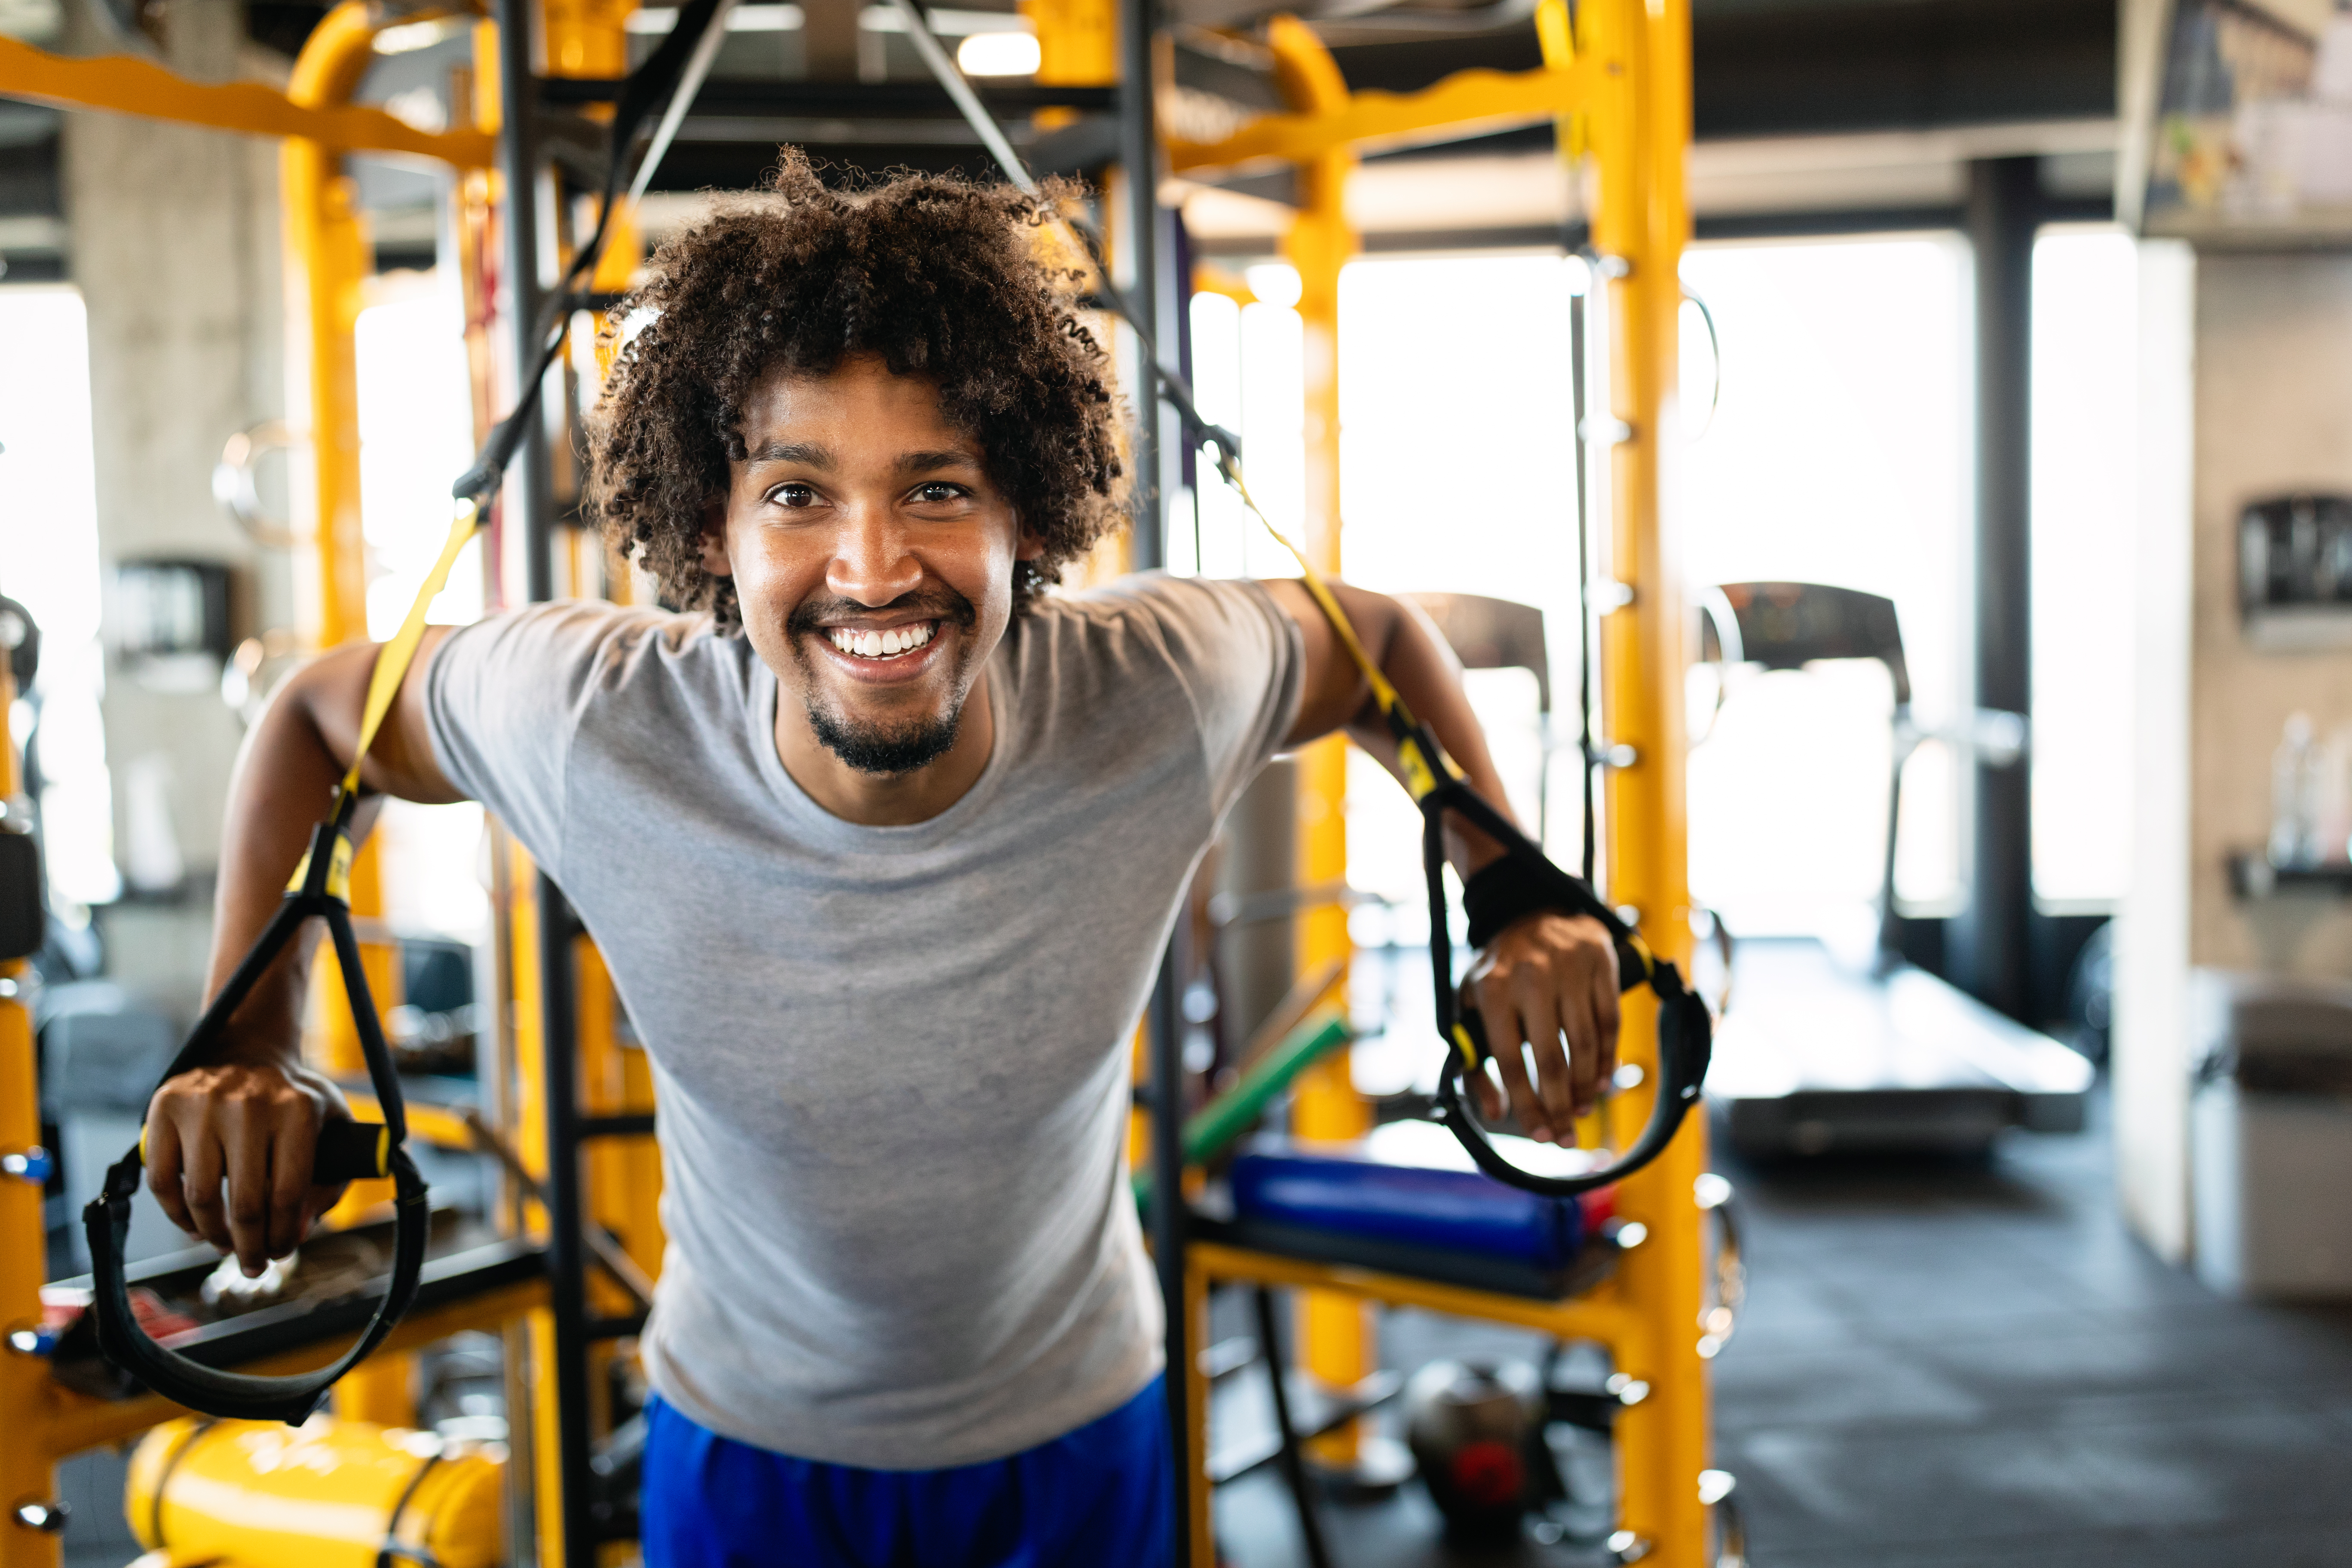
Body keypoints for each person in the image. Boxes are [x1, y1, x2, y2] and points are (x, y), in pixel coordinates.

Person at [142, 154, 1621, 1568]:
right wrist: (252, 1034)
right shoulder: (596, 722)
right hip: (747, 1444)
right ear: (710, 532)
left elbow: (1379, 648)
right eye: (796, 493)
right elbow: (322, 714)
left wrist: (1512, 892)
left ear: (1026, 515)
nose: (871, 568)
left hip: (1079, 1428)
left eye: (937, 488)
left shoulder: (1153, 685)